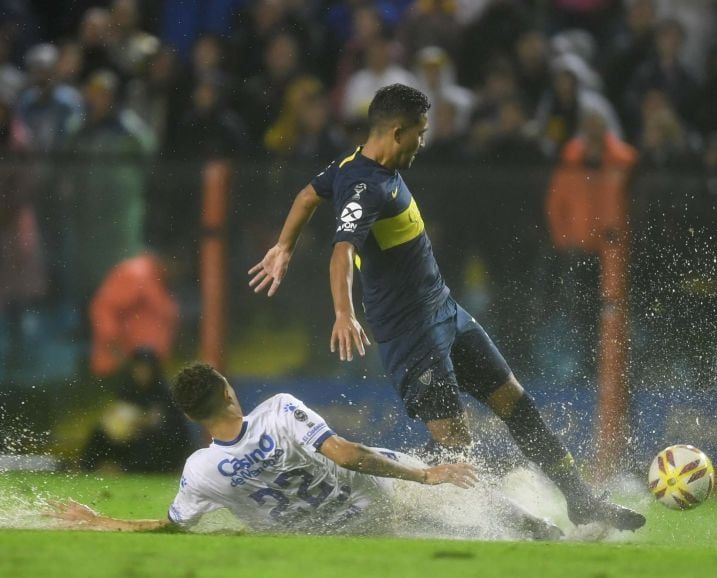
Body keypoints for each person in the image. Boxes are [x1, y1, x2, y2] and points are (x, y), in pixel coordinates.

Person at [248, 84, 646, 531]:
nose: (423, 142)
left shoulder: (348, 167)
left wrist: (284, 245)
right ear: (397, 132)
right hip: (410, 335)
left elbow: (306, 196)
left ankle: (581, 500)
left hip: (446, 313)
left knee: (518, 405)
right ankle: (519, 526)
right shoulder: (365, 187)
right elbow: (342, 251)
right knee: (457, 448)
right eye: (419, 133)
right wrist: (343, 312)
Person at [50, 363, 486, 534]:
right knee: (473, 510)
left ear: (190, 416)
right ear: (227, 392)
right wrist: (426, 474)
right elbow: (347, 453)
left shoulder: (200, 470)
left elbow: (170, 528)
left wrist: (98, 520)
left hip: (338, 537)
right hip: (382, 501)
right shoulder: (279, 409)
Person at [80, 348, 192, 472]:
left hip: (161, 444)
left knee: (146, 440)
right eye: (138, 368)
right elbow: (119, 414)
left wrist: (140, 423)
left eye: (145, 369)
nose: (141, 372)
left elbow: (165, 425)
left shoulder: (164, 391)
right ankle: (86, 469)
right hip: (131, 434)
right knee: (99, 433)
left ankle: (125, 470)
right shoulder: (127, 388)